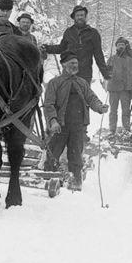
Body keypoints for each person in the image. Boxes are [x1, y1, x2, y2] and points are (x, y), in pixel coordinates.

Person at [43, 51, 108, 191]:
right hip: (59, 126)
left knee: (75, 154)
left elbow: (92, 98)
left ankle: (76, 181)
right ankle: (48, 179)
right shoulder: (55, 83)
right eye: (72, 63)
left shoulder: (82, 83)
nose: (75, 65)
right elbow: (48, 104)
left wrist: (100, 107)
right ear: (63, 65)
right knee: (53, 152)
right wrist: (53, 121)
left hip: (78, 126)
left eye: (76, 63)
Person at [42, 5, 111, 86]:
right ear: (74, 17)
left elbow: (98, 55)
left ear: (85, 17)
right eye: (78, 15)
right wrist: (47, 48)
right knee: (67, 97)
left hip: (85, 74)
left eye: (82, 15)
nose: (80, 17)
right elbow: (61, 48)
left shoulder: (93, 33)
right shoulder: (69, 32)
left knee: (83, 97)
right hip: (69, 72)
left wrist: (105, 73)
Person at [105, 37, 132, 136]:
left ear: (125, 47)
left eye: (123, 45)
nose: (121, 46)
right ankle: (112, 130)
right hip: (114, 89)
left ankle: (126, 129)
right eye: (119, 45)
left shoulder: (130, 60)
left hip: (126, 89)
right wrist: (108, 73)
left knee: (126, 111)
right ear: (116, 46)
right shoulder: (111, 59)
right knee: (113, 111)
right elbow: (106, 74)